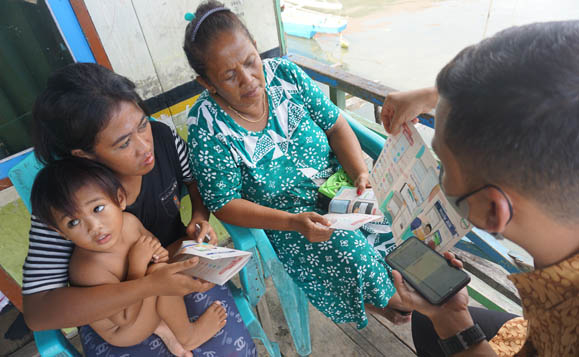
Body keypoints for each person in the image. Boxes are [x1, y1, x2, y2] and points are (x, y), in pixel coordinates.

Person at [183, 0, 411, 329]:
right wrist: (293, 222)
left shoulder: (285, 75)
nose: (248, 80)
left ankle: (390, 298)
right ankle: (397, 303)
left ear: (257, 48)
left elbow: (335, 126)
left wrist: (360, 172)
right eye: (229, 76)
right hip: (289, 220)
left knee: (396, 223)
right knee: (348, 249)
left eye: (250, 62)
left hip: (341, 189)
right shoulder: (208, 127)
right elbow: (225, 203)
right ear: (207, 83)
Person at [22, 63, 256, 356]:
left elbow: (194, 179)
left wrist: (199, 215)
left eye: (142, 124)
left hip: (170, 268)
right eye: (123, 143)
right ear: (84, 155)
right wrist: (146, 285)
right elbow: (39, 311)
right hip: (116, 312)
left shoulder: (163, 140)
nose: (145, 146)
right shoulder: (67, 203)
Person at [382, 21, 579, 356]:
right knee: (424, 321)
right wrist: (440, 97)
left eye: (442, 165)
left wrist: (451, 320)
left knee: (431, 323)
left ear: (493, 210)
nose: (439, 175)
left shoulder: (566, 322)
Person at [30, 158, 228, 350]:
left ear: (120, 199)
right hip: (126, 330)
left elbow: (156, 250)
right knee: (157, 274)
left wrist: (167, 252)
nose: (94, 227)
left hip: (142, 300)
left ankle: (163, 326)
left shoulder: (129, 222)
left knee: (185, 246)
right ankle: (188, 336)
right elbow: (126, 317)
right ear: (61, 232)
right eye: (73, 223)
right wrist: (138, 265)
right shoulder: (88, 268)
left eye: (98, 208)